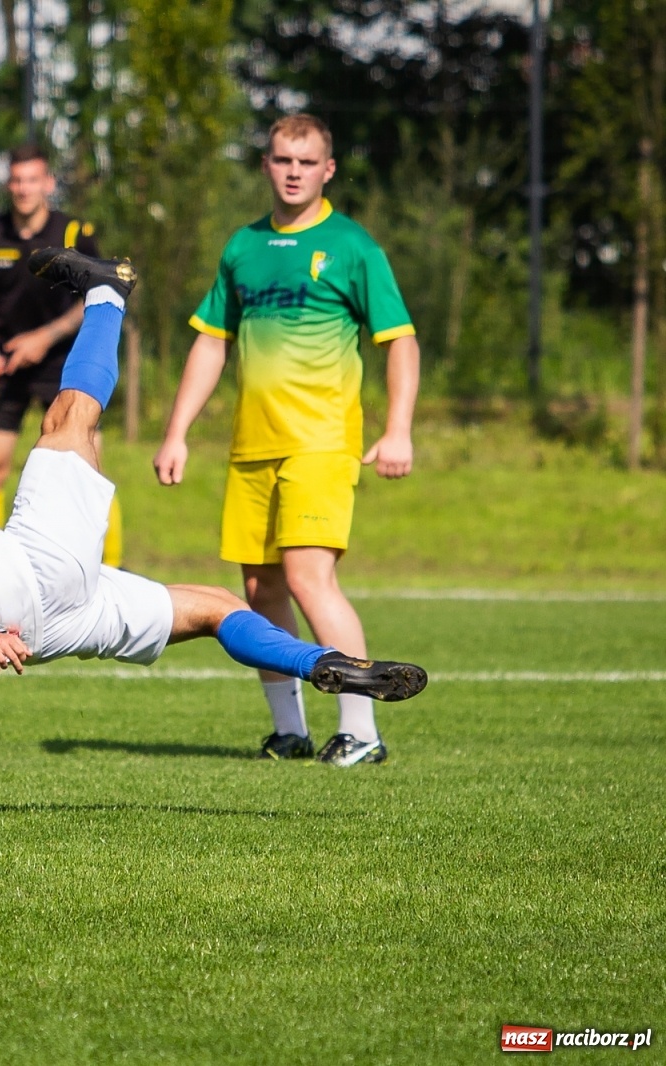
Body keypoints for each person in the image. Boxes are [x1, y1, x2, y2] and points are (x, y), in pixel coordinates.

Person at [0, 247, 426, 818]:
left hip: (47, 637)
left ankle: (319, 665)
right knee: (67, 419)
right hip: (27, 585)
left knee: (217, 608)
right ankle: (107, 291)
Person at [152, 113, 421, 767]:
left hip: (322, 442)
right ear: (266, 166)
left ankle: (362, 731)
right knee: (258, 592)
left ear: (327, 169)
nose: (293, 171)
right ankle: (289, 731)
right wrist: (177, 432)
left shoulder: (353, 246)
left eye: (306, 161)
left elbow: (401, 341)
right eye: (281, 160)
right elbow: (211, 342)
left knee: (307, 577)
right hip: (251, 447)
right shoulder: (242, 247)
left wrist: (398, 430)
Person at [0, 145, 123, 567]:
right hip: (5, 364)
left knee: (88, 465)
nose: (23, 188)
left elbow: (100, 291)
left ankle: (108, 569)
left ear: (48, 184)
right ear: (9, 184)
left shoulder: (73, 232)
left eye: (32, 179)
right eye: (16, 180)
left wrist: (46, 337)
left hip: (66, 360)